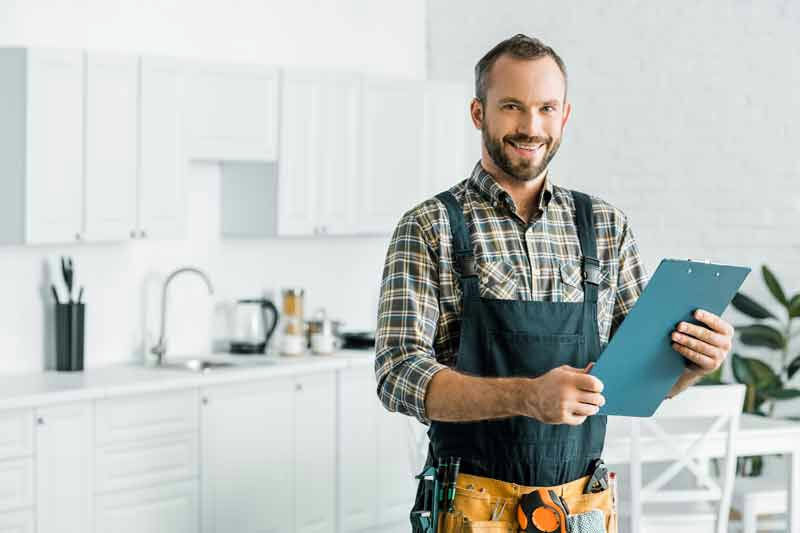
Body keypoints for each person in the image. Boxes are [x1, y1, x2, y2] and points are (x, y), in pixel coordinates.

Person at [375, 34, 734, 532]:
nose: (531, 126)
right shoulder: (430, 226)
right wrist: (526, 397)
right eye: (512, 107)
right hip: (471, 509)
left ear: (564, 115)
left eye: (546, 108)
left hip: (582, 507)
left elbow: (640, 376)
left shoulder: (605, 226)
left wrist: (694, 363)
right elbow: (397, 375)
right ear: (479, 113)